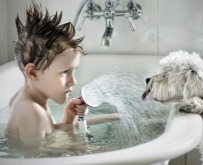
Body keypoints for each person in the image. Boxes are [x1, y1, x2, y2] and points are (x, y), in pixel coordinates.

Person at [5, 2, 120, 157]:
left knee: (108, 140)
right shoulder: (32, 111)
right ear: (32, 73)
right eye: (65, 72)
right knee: (108, 151)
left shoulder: (32, 101)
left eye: (74, 71)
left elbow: (48, 135)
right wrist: (79, 149)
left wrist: (68, 118)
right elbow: (37, 160)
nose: (73, 81)